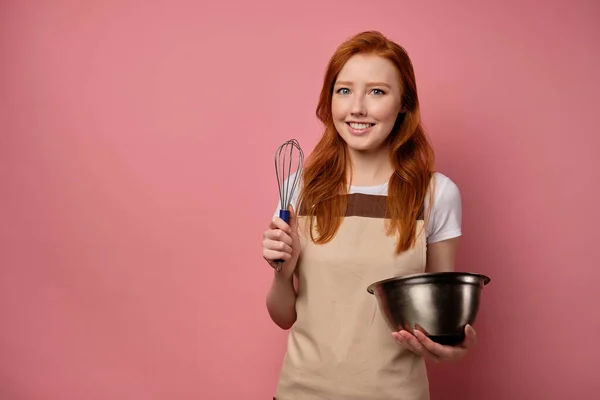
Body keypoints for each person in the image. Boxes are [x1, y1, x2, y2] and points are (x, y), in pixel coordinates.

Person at [261, 30, 476, 400]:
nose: (357, 107)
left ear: (404, 103)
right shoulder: (299, 186)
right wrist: (283, 272)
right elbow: (285, 316)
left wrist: (451, 344)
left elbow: (441, 320)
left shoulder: (437, 194)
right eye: (344, 90)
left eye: (377, 91)